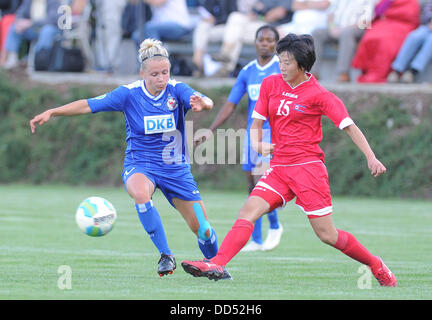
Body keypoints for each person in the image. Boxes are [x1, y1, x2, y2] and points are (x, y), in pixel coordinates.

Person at [181, 33, 397, 287]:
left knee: (327, 235)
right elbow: (257, 122)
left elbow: (349, 126)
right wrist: (257, 143)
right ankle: (217, 263)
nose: (281, 67)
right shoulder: (271, 84)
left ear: (303, 66)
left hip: (308, 170)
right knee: (248, 212)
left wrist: (371, 158)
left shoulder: (319, 94)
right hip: (279, 169)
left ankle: (375, 264)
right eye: (280, 61)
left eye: (287, 63)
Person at [29, 38, 222, 278]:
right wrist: (53, 112)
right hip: (140, 163)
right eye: (154, 74)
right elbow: (89, 105)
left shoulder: (178, 90)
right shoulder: (128, 94)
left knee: (203, 230)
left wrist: (203, 103)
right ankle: (165, 254)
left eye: (164, 72)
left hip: (175, 167)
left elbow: (205, 100)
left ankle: (216, 265)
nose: (160, 78)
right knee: (140, 193)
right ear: (142, 73)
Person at [194, 25, 283, 252]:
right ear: (254, 43)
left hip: (273, 133)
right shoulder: (247, 71)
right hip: (253, 133)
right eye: (261, 39)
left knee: (262, 179)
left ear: (276, 44)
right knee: (251, 186)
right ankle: (257, 239)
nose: (265, 43)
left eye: (270, 40)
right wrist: (211, 129)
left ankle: (275, 226)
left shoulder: (281, 70)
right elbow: (231, 104)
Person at [210, 0, 293, 77]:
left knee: (236, 30)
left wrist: (259, 16)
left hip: (272, 28)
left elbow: (279, 13)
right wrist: (253, 14)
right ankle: (226, 64)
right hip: (256, 25)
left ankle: (226, 58)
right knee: (236, 18)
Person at [351, 0, 420, 83]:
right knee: (370, 37)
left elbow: (410, 15)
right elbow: (378, 12)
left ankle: (381, 73)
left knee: (385, 41)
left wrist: (391, 13)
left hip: (403, 25)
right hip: (384, 23)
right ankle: (367, 71)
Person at [311, 0, 376, 82]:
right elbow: (330, 14)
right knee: (317, 33)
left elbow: (366, 21)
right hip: (336, 28)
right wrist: (332, 27)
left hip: (356, 28)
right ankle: (313, 72)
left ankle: (343, 73)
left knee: (346, 33)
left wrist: (343, 29)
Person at [3, 0, 62, 70]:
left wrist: (31, 22)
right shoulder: (28, 1)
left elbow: (52, 19)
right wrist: (20, 22)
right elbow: (20, 13)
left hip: (49, 29)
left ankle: (39, 59)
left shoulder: (53, 1)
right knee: (14, 27)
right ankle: (12, 59)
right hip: (32, 29)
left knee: (47, 30)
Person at [387, 0, 432, 83]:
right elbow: (427, 9)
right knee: (415, 36)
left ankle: (412, 71)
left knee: (431, 41)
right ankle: (397, 70)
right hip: (428, 26)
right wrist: (430, 20)